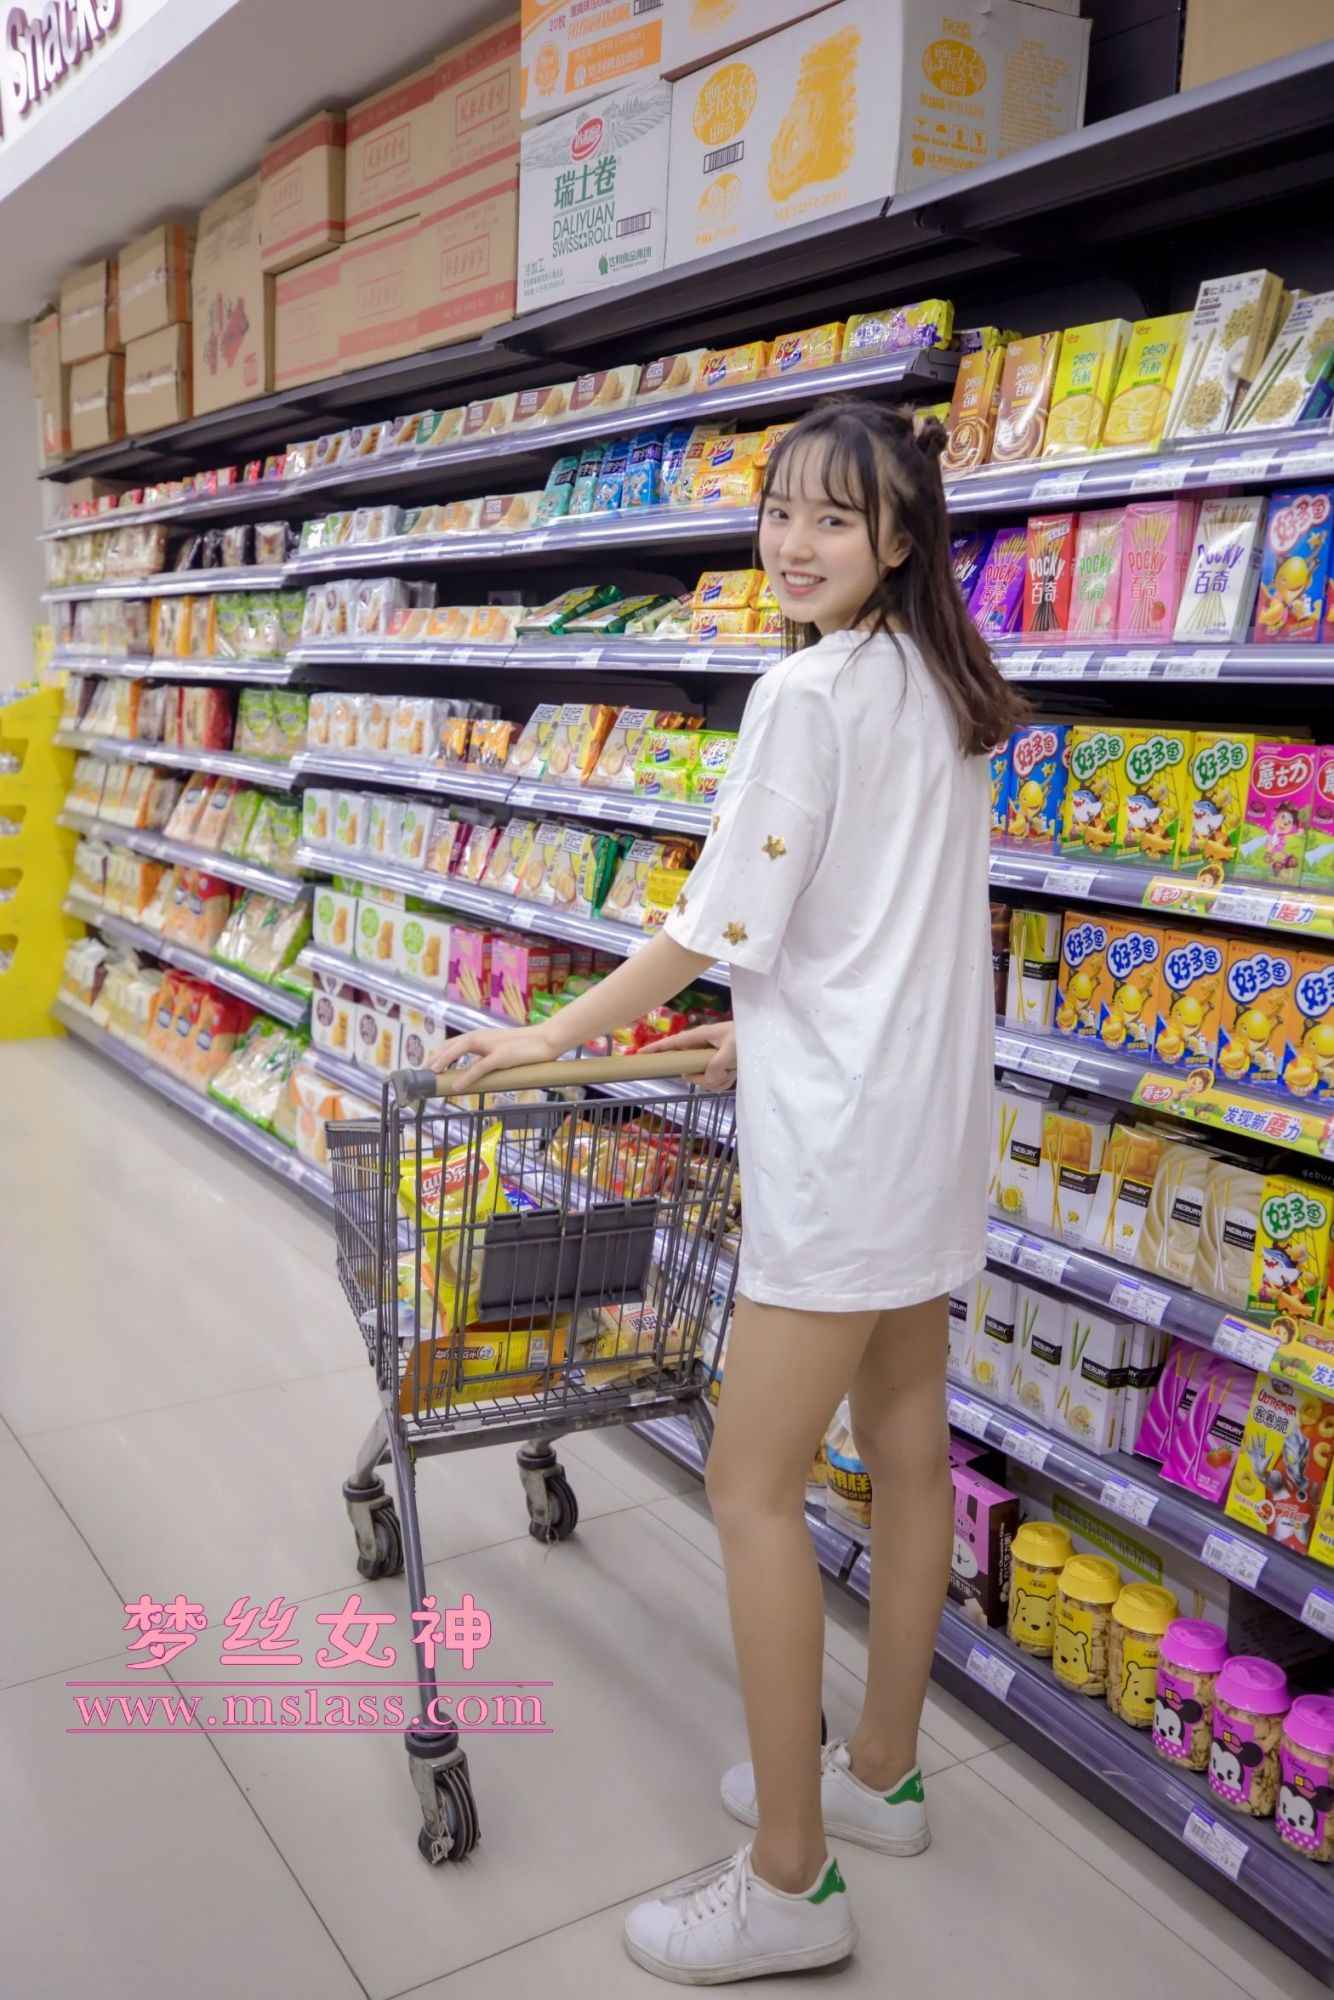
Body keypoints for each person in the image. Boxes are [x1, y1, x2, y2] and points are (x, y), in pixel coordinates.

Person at [432, 398, 1026, 1984]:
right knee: (908, 1453)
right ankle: (880, 1774)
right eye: (778, 511)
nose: (793, 542)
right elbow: (870, 929)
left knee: (751, 1489)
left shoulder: (804, 694)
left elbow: (708, 926)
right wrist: (756, 1032)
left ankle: (788, 1881)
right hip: (923, 1129)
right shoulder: (943, 688)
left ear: (898, 537)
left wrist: (544, 1037)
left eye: (833, 518)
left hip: (838, 1151)